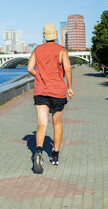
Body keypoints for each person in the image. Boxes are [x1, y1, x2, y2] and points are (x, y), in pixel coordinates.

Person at [27, 23, 73, 173]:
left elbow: (29, 68)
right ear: (56, 35)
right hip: (58, 92)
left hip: (41, 91)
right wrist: (69, 87)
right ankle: (55, 155)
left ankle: (38, 152)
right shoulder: (61, 50)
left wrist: (39, 76)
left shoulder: (37, 49)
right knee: (57, 124)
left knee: (42, 124)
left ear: (43, 35)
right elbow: (67, 68)